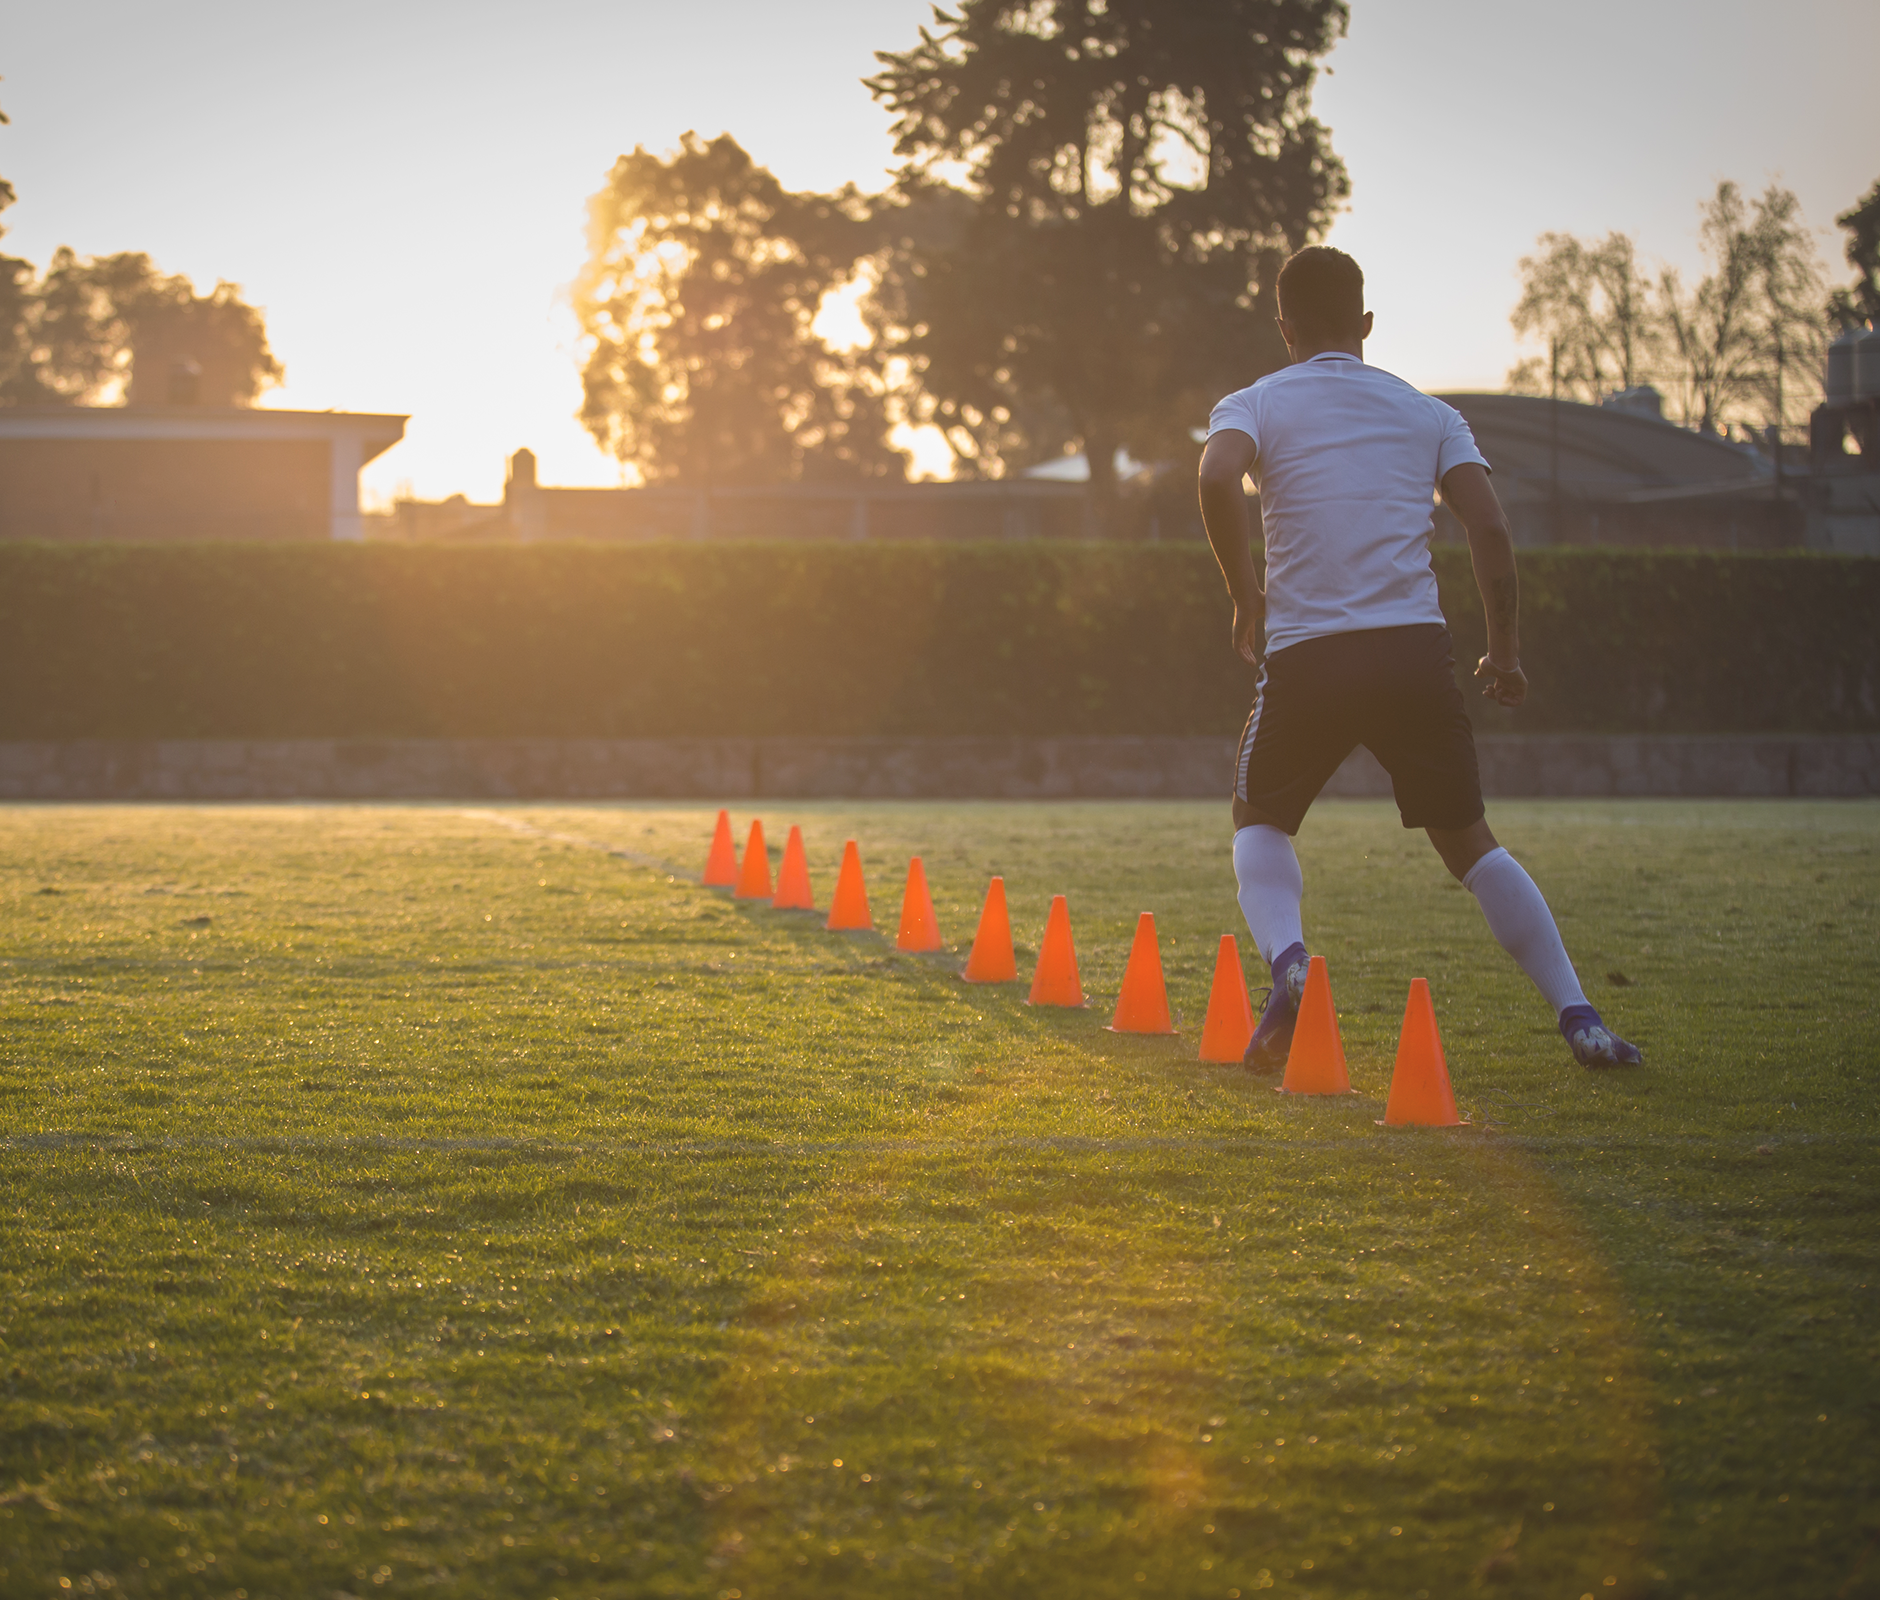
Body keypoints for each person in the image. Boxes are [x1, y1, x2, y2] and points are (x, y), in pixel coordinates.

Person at [1197, 245, 1640, 1072]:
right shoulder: (1428, 414)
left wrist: (1244, 594)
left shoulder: (1254, 403)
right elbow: (1492, 528)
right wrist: (1503, 653)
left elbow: (1217, 476)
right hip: (1412, 653)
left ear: (1284, 327)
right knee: (1471, 843)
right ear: (1366, 324)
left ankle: (1293, 964)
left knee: (1257, 820)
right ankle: (1579, 1015)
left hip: (1310, 658)